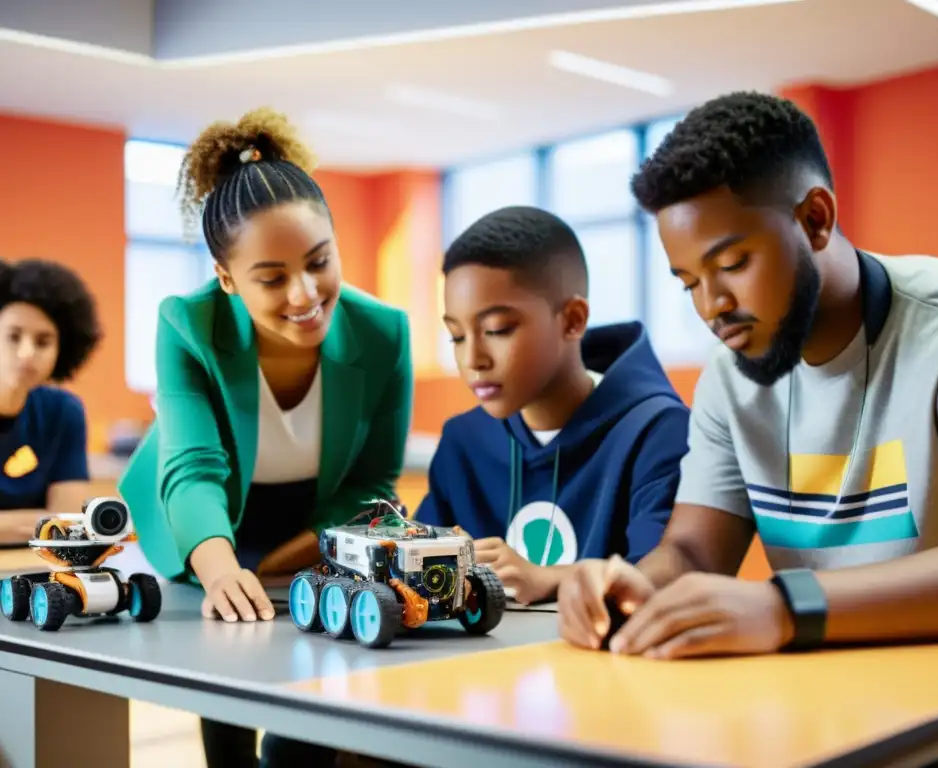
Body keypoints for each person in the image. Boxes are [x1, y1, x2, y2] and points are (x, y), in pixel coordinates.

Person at [556, 91, 938, 766]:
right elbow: (691, 550)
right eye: (689, 281)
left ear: (814, 219)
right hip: (830, 720)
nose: (713, 307)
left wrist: (785, 607)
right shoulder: (731, 373)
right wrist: (628, 584)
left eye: (732, 264)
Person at [117, 108, 413, 768]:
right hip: (206, 522)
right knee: (226, 699)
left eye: (319, 262)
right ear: (227, 279)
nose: (305, 295)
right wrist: (222, 570)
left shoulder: (384, 332)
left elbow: (374, 483)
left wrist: (296, 556)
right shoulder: (188, 324)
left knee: (306, 711)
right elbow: (193, 469)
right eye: (272, 278)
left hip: (318, 523)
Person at [415, 205, 690, 605]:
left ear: (573, 320)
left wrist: (550, 578)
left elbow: (661, 574)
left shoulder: (656, 429)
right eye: (456, 336)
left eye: (497, 330)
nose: (473, 359)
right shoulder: (463, 440)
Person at [0, 258, 101, 545]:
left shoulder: (63, 411)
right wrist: (43, 520)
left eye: (43, 341)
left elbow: (69, 522)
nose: (27, 353)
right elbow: (55, 523)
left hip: (32, 572)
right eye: (13, 336)